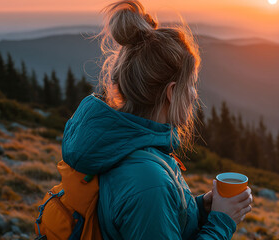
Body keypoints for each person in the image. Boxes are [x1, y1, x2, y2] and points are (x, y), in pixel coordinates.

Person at [60, 1, 252, 239]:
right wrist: (222, 223)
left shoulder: (132, 149)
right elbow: (149, 201)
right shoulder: (149, 181)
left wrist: (201, 208)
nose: (194, 95)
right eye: (191, 84)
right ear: (171, 93)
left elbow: (156, 222)